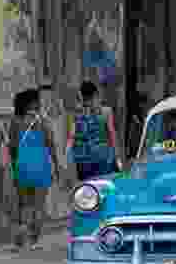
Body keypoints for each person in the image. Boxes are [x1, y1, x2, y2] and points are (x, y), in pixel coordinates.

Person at [7, 88, 61, 251]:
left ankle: (19, 241)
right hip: (41, 166)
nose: (40, 102)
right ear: (33, 102)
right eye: (38, 100)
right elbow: (51, 144)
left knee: (24, 205)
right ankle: (34, 241)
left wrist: (15, 166)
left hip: (22, 166)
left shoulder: (15, 121)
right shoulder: (43, 120)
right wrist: (56, 165)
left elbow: (13, 147)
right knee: (38, 205)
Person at [67, 81, 123, 181]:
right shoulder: (105, 112)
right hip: (99, 161)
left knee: (91, 191)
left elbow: (72, 137)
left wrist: (67, 156)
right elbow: (112, 135)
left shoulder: (78, 115)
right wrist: (118, 158)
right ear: (96, 95)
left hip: (90, 161)